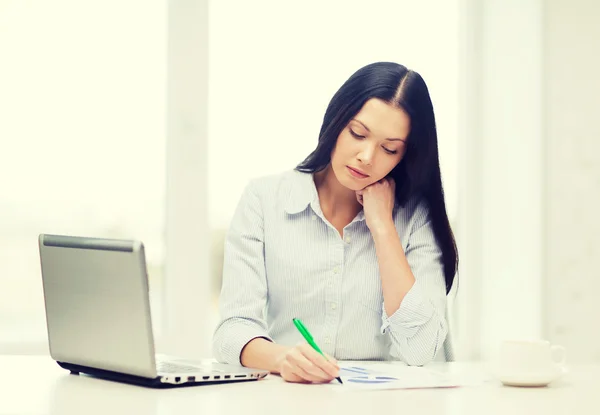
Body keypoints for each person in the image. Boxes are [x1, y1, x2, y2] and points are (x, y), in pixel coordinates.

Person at [212, 61, 459, 384]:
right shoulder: (264, 199)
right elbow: (231, 331)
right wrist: (283, 358)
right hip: (288, 398)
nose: (367, 157)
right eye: (357, 133)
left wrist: (382, 227)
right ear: (336, 120)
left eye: (389, 148)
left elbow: (421, 348)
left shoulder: (414, 217)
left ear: (404, 155)